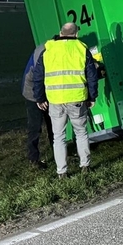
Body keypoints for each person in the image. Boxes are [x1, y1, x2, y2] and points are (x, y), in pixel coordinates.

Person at [31, 22, 99, 178]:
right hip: (77, 99)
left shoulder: (48, 50)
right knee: (81, 132)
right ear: (76, 34)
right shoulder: (81, 49)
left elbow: (38, 77)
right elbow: (92, 76)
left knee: (58, 136)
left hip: (55, 101)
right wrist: (92, 96)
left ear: (60, 33)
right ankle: (85, 166)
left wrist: (40, 98)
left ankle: (62, 172)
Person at [22, 41, 54, 169]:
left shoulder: (49, 47)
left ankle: (59, 153)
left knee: (53, 123)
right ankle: (33, 158)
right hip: (32, 92)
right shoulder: (43, 53)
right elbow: (37, 78)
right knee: (35, 126)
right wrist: (40, 99)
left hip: (44, 89)